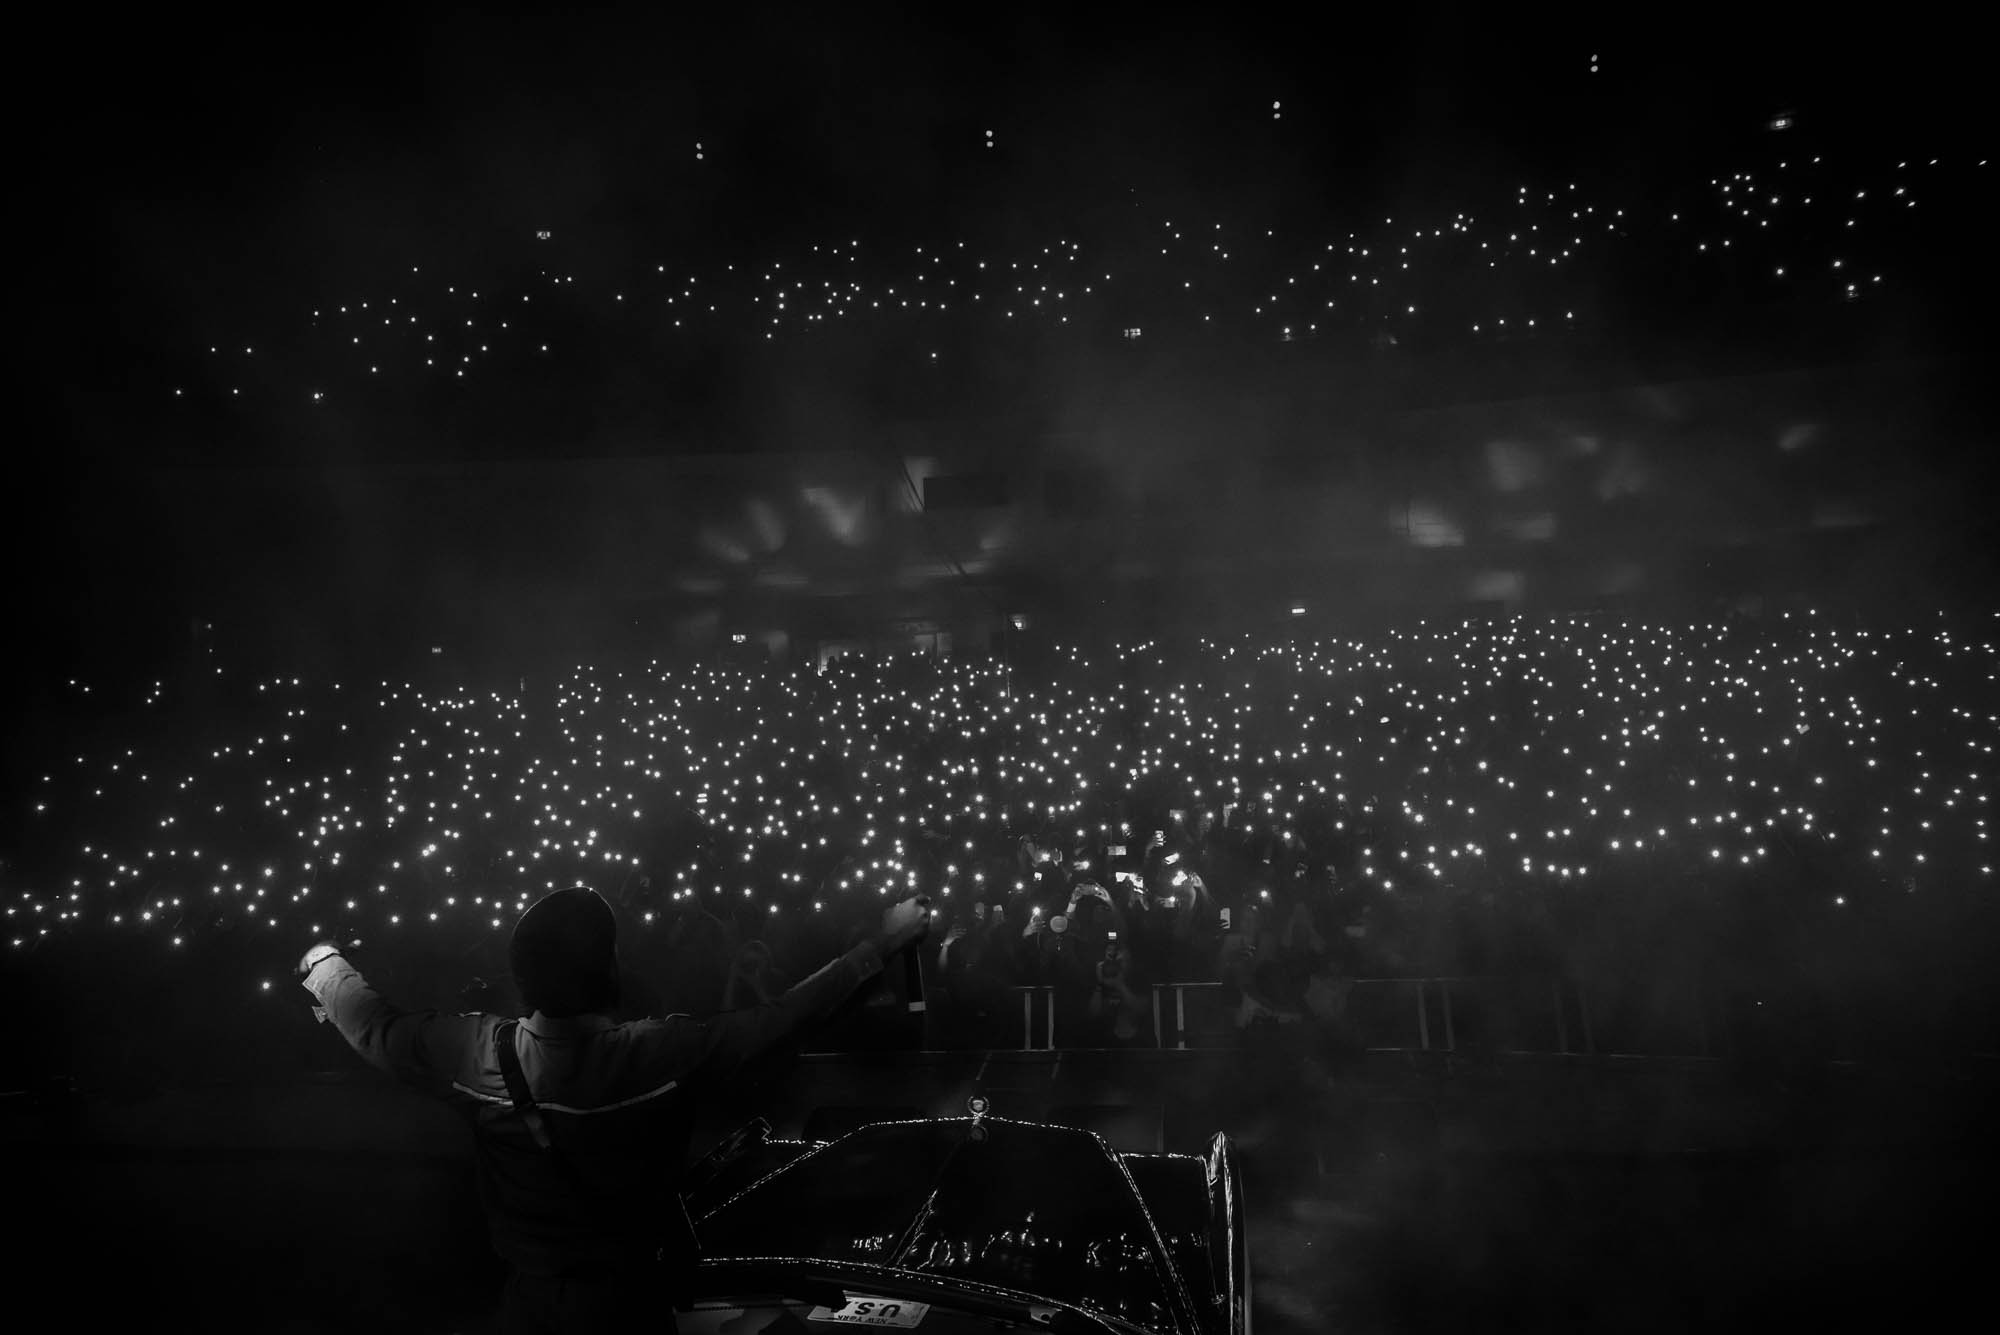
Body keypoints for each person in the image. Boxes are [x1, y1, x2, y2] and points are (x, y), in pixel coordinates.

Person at [294, 884, 934, 1334]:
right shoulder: (659, 1054)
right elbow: (782, 1019)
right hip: (626, 1305)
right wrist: (883, 942)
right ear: (610, 970)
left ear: (522, 976)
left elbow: (375, 1025)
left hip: (528, 1303)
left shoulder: (475, 1052)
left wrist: (325, 966)